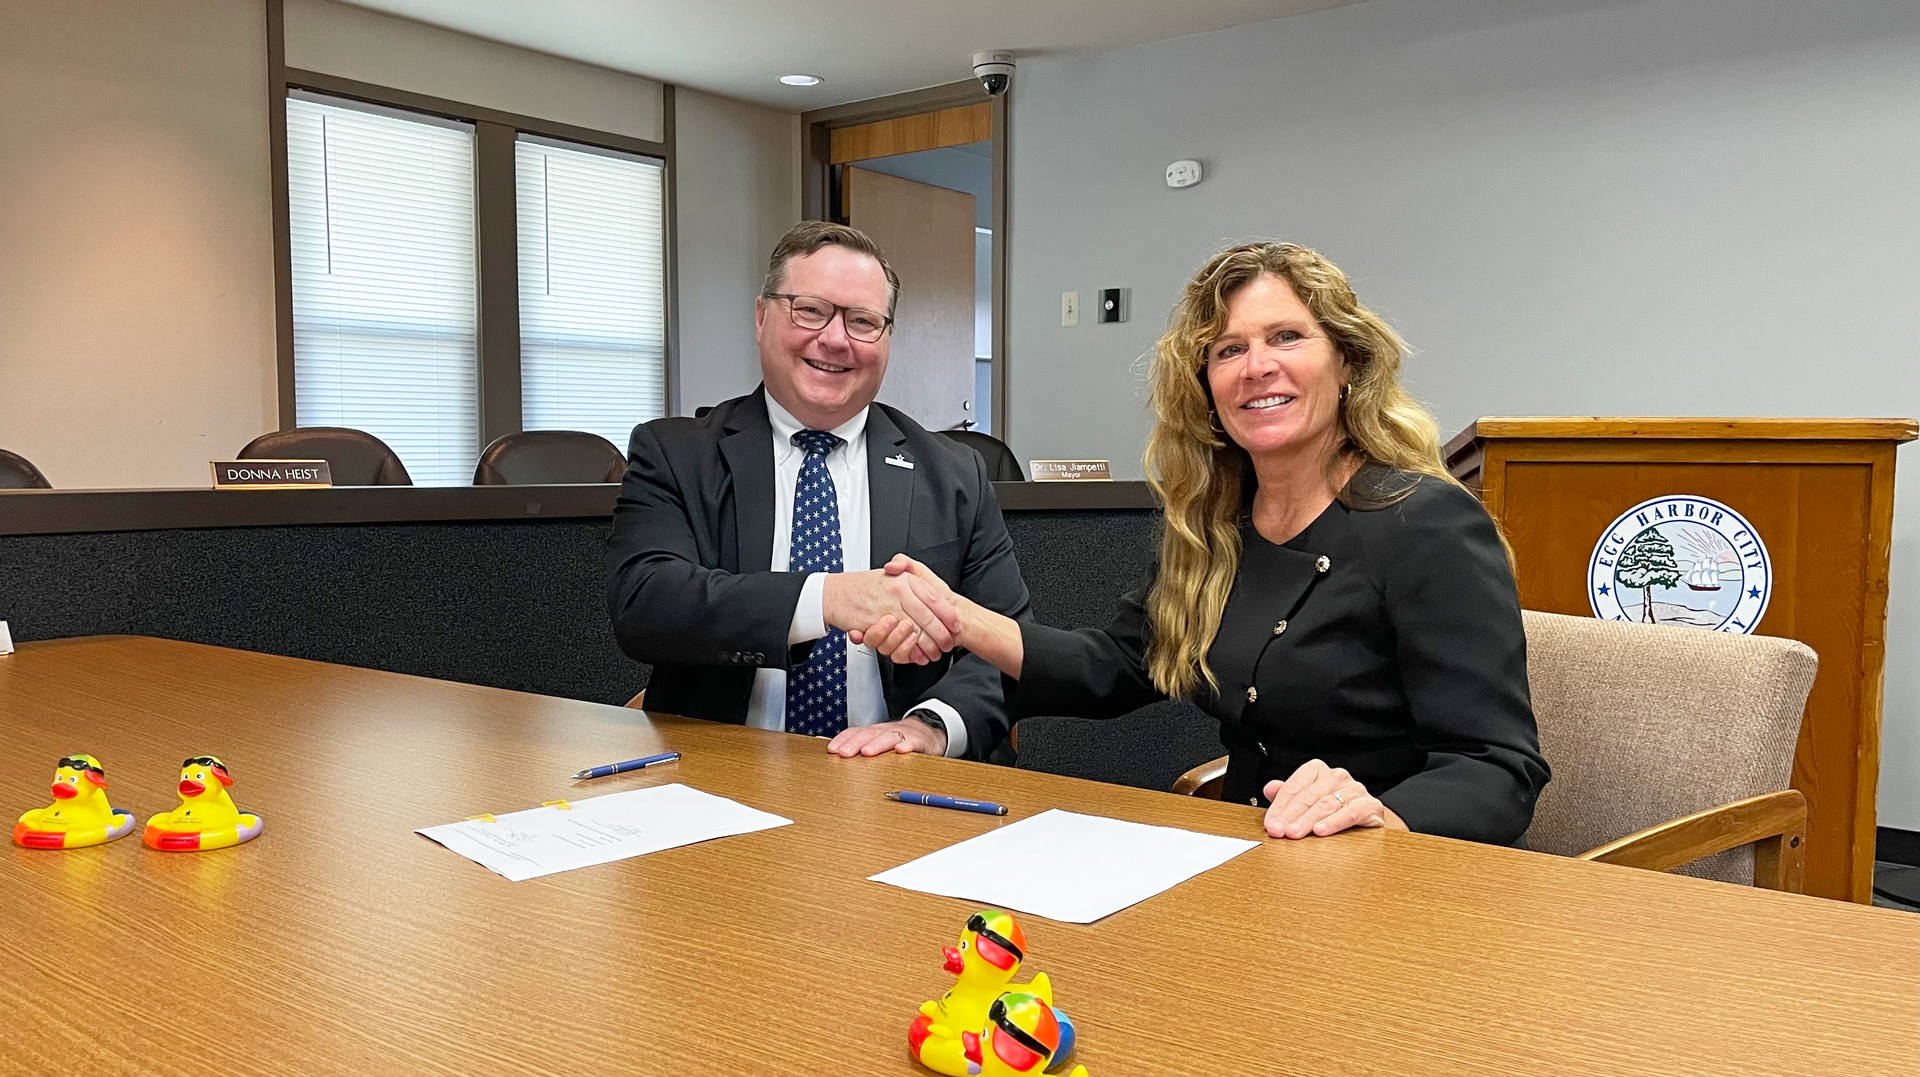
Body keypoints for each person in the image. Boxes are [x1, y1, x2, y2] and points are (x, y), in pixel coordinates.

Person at [855, 242, 1549, 845]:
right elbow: (1116, 666)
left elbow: (1496, 767)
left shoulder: (1427, 522)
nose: (1257, 366)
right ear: (1207, 389)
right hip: (1252, 861)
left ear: (1347, 364)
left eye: (1287, 337)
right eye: (1229, 350)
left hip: (1394, 875)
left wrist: (1379, 815)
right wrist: (959, 617)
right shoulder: (1214, 527)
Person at [606, 220, 1032, 761]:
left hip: (899, 788)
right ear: (762, 317)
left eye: (863, 321)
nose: (834, 339)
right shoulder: (678, 454)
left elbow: (1006, 640)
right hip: (719, 779)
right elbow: (646, 605)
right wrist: (828, 598)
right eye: (810, 310)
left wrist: (931, 727)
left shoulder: (954, 473)